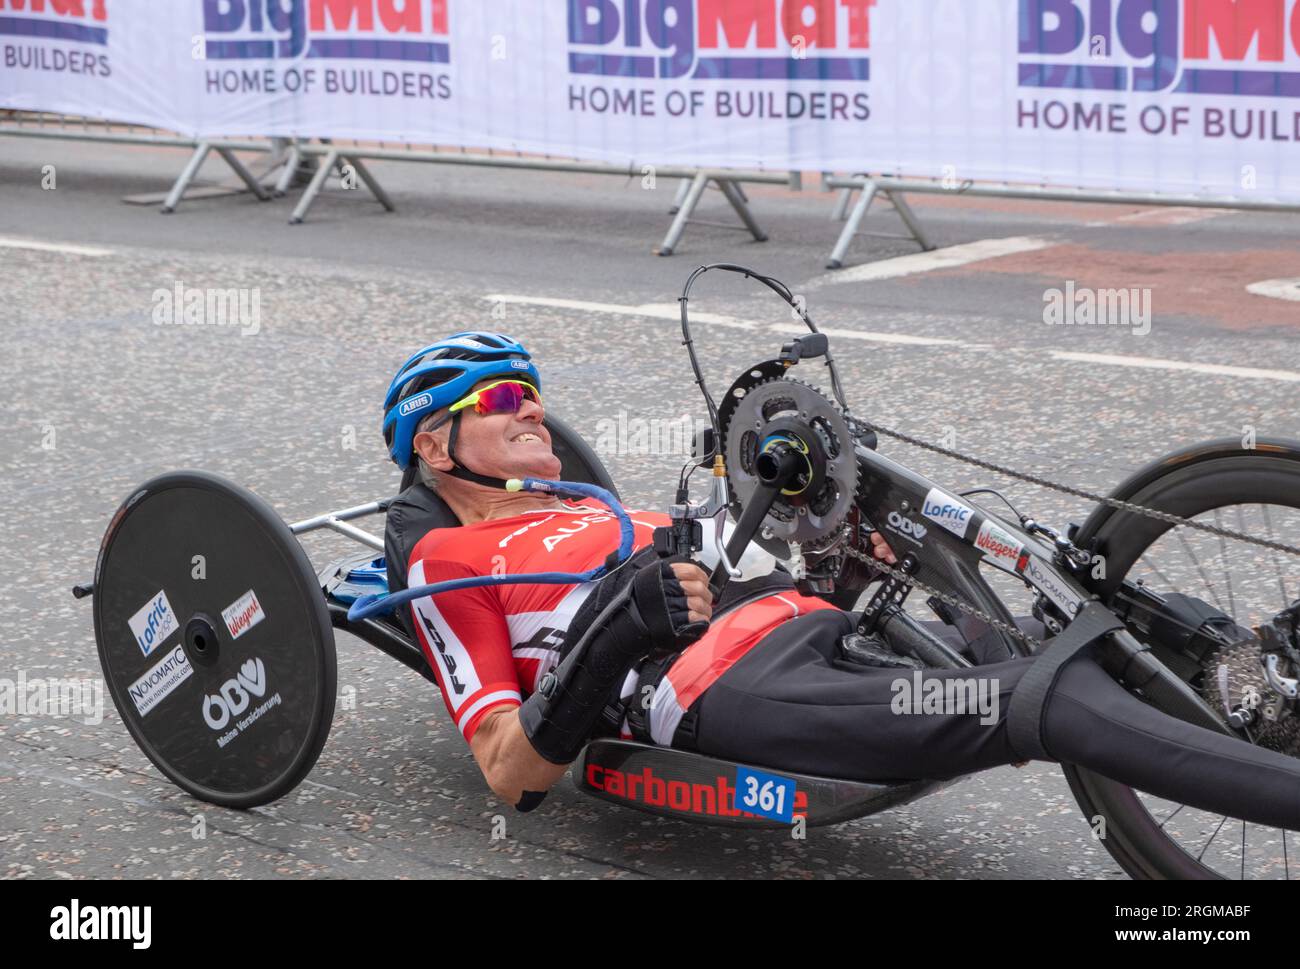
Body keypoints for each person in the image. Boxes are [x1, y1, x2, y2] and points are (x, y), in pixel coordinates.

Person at [380, 332, 1300, 830]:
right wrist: (617, 628)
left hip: (822, 628)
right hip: (733, 688)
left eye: (532, 392)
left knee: (1075, 616)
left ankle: (1256, 671)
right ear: (434, 444)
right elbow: (511, 772)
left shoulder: (599, 510)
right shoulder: (445, 561)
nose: (531, 407)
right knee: (1043, 699)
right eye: (500, 400)